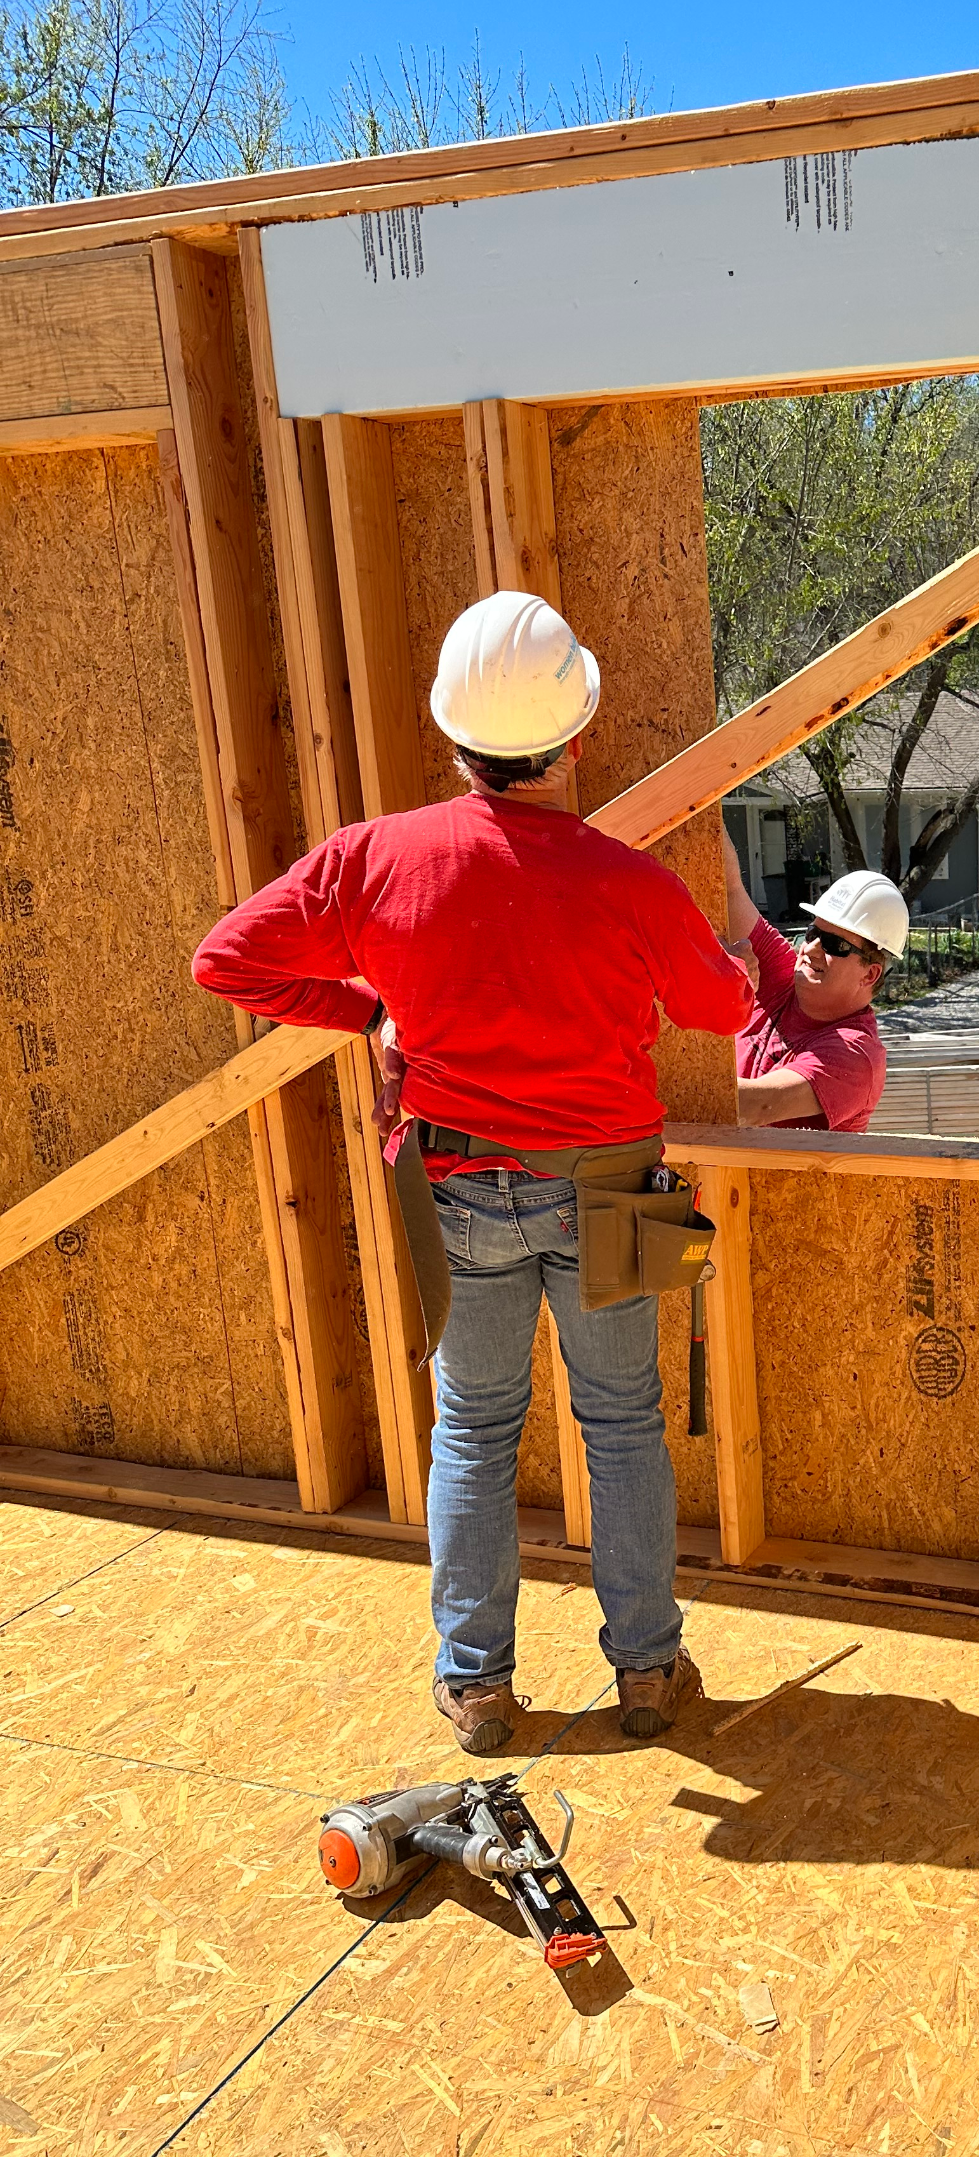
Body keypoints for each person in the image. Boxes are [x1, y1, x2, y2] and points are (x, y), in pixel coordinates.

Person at [192, 591, 753, 1756]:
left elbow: (226, 961)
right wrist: (747, 956)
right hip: (610, 1186)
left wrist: (366, 1012)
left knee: (474, 1430)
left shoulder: (376, 859)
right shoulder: (630, 881)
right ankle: (648, 1672)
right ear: (577, 734)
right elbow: (722, 1009)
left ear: (455, 739)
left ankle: (478, 1686)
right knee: (623, 1426)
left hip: (457, 1187)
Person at [722, 828, 907, 1132]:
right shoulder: (783, 976)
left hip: (778, 1180)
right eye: (813, 933)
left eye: (835, 945)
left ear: (870, 974)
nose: (811, 948)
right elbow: (728, 887)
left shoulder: (855, 1055)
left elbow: (753, 1107)